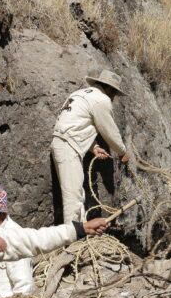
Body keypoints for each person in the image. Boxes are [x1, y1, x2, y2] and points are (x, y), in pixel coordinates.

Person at [52, 69, 131, 224]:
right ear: (109, 89)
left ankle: (79, 235)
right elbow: (108, 129)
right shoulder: (101, 99)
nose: (114, 98)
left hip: (64, 142)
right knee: (73, 200)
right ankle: (73, 243)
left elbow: (76, 125)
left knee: (76, 194)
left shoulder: (79, 94)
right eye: (114, 93)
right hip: (68, 147)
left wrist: (93, 147)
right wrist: (122, 152)